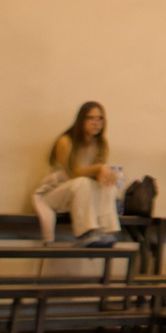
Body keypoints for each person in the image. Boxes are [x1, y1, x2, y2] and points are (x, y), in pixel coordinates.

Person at [36, 100, 123, 247]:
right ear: (81, 119)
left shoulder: (101, 144)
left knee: (108, 185)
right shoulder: (66, 141)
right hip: (55, 194)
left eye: (100, 118)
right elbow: (73, 173)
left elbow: (97, 174)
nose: (96, 123)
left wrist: (106, 175)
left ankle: (106, 231)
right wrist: (99, 168)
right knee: (83, 183)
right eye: (91, 118)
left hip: (83, 198)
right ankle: (85, 233)